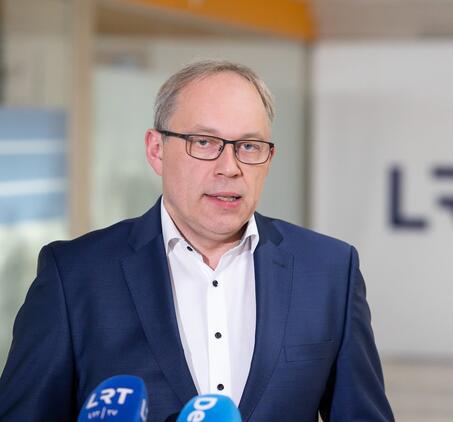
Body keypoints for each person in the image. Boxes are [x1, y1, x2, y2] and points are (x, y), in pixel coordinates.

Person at [0, 60, 394, 421]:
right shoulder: (74, 275)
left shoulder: (328, 271)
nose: (230, 167)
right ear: (156, 150)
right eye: (204, 142)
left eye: (249, 146)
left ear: (269, 159)